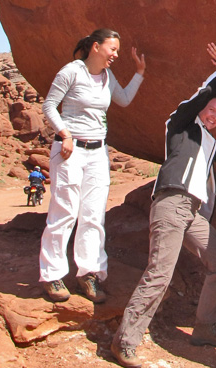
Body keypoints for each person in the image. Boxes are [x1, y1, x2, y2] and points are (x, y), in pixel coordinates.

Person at [111, 43, 216, 368]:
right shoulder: (182, 123)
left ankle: (205, 328)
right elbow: (200, 97)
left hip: (192, 212)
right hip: (171, 202)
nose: (213, 116)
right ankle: (125, 339)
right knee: (160, 273)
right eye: (211, 111)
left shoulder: (210, 142)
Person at [39, 28, 146, 303]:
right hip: (70, 150)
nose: (116, 55)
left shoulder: (107, 77)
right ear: (96, 47)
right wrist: (64, 134)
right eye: (113, 49)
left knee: (93, 215)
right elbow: (50, 105)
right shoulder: (72, 71)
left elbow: (122, 99)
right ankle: (52, 275)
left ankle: (89, 274)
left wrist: (139, 73)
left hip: (98, 152)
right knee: (64, 212)